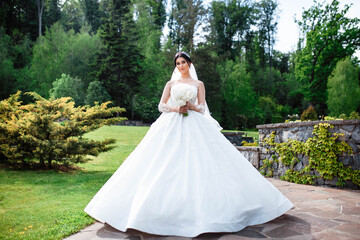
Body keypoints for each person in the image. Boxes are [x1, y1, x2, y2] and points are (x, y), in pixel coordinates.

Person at [84, 52, 293, 237]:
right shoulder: (171, 84)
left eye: (183, 62)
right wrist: (177, 109)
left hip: (195, 122)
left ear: (189, 64)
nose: (180, 66)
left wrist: (190, 106)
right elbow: (161, 105)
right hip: (172, 122)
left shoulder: (198, 84)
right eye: (177, 63)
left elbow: (202, 109)